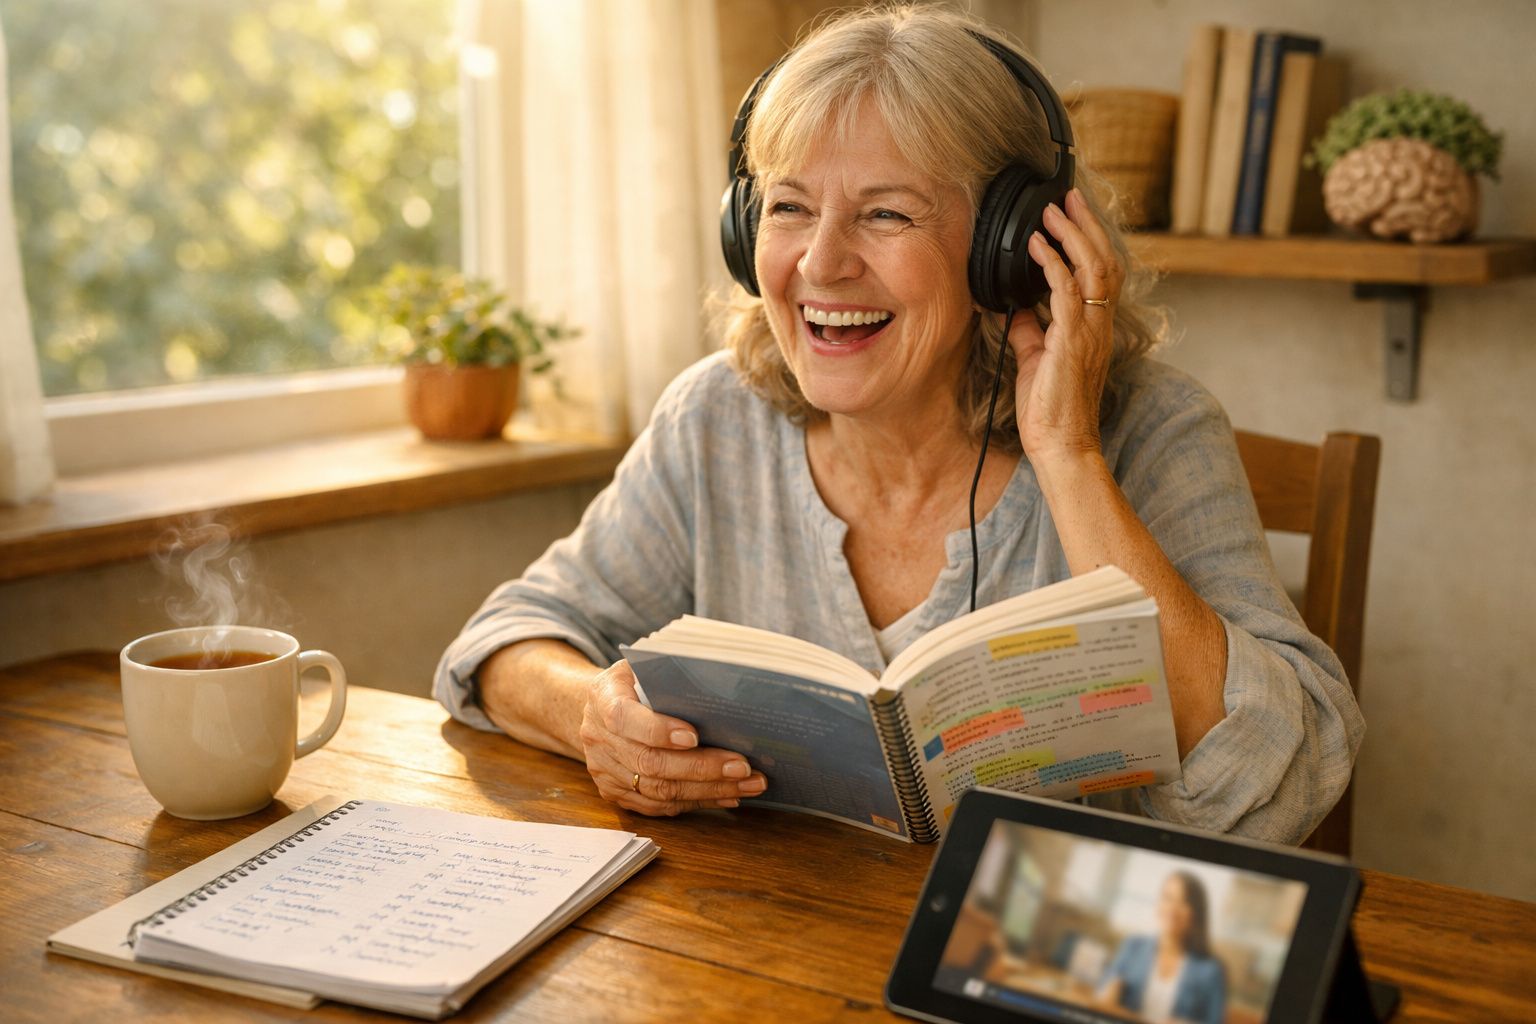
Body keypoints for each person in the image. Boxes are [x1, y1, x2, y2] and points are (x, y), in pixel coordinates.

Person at [433, 4, 1363, 843]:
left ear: (1013, 245)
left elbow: (1278, 783)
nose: (822, 264)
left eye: (885, 214)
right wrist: (597, 712)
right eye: (790, 208)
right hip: (774, 953)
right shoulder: (717, 417)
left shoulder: (1152, 431)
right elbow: (506, 640)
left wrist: (1070, 458)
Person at [1096, 872, 1228, 1024]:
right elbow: (1102, 996)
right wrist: (1110, 991)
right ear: (1158, 904)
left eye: (1184, 902)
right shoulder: (1132, 946)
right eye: (1168, 898)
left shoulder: (1212, 971)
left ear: (1196, 914)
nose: (1173, 909)